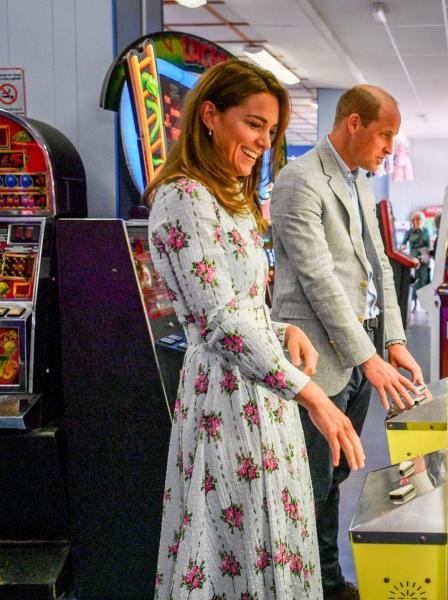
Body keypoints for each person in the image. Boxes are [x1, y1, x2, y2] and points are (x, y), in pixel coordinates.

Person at [145, 60, 364, 598]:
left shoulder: (232, 199)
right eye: (253, 124)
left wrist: (281, 325)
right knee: (231, 548)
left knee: (274, 539)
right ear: (210, 116)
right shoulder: (184, 198)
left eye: (271, 131)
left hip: (264, 393)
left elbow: (240, 304)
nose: (263, 141)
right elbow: (217, 320)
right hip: (225, 401)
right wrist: (311, 394)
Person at [270, 84, 428, 600]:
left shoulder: (358, 183)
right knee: (308, 488)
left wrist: (395, 341)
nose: (388, 148)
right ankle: (306, 587)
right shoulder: (299, 181)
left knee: (334, 480)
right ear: (353, 123)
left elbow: (377, 266)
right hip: (314, 362)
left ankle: (327, 581)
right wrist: (368, 355)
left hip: (354, 364)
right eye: (384, 135)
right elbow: (318, 280)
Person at [401, 211, 432, 311]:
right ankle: (413, 304)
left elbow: (429, 245)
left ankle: (425, 304)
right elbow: (403, 244)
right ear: (413, 221)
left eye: (420, 219)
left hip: (424, 258)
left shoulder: (426, 231)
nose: (418, 221)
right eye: (416, 219)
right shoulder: (409, 232)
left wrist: (427, 255)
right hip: (413, 259)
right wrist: (403, 248)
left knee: (424, 280)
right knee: (413, 281)